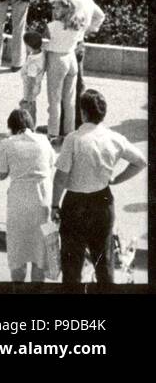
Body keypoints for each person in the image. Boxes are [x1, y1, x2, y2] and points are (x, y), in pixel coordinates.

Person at [51, 89, 147, 287]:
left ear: (83, 112)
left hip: (75, 203)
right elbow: (140, 162)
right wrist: (116, 180)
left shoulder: (74, 139)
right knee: (104, 262)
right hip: (102, 201)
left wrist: (54, 205)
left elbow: (61, 177)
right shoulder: (114, 138)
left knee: (72, 264)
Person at [0, 108, 55, 283]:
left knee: (18, 253)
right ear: (31, 125)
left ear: (11, 126)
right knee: (40, 255)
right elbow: (50, 165)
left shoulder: (7, 143)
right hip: (44, 200)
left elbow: (0, 174)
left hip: (18, 202)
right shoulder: (44, 140)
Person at [42, 0, 86, 143]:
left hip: (57, 59)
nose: (53, 10)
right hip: (71, 58)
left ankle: (53, 134)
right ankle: (69, 133)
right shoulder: (78, 24)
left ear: (65, 9)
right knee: (70, 100)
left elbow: (45, 44)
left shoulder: (52, 26)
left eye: (57, 8)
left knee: (54, 100)